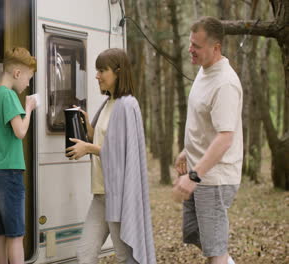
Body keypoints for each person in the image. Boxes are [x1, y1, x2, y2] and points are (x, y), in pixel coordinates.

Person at [66, 48, 156, 264]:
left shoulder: (127, 105)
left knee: (127, 256)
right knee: (85, 253)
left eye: (102, 70)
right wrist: (87, 125)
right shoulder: (108, 103)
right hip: (101, 195)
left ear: (118, 72)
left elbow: (124, 153)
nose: (97, 75)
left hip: (118, 196)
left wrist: (88, 148)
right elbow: (104, 142)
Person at [172, 16, 243, 264]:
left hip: (214, 179)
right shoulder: (205, 72)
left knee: (215, 249)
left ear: (216, 47)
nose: (190, 50)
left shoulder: (224, 83)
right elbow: (205, 125)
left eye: (197, 46)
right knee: (198, 236)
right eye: (190, 43)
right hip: (200, 171)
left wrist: (194, 176)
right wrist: (186, 150)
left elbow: (225, 138)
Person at [0, 47, 37, 264]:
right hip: (11, 172)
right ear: (17, 73)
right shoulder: (9, 95)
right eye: (28, 78)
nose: (28, 84)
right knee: (16, 234)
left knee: (1, 233)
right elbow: (20, 132)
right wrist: (28, 108)